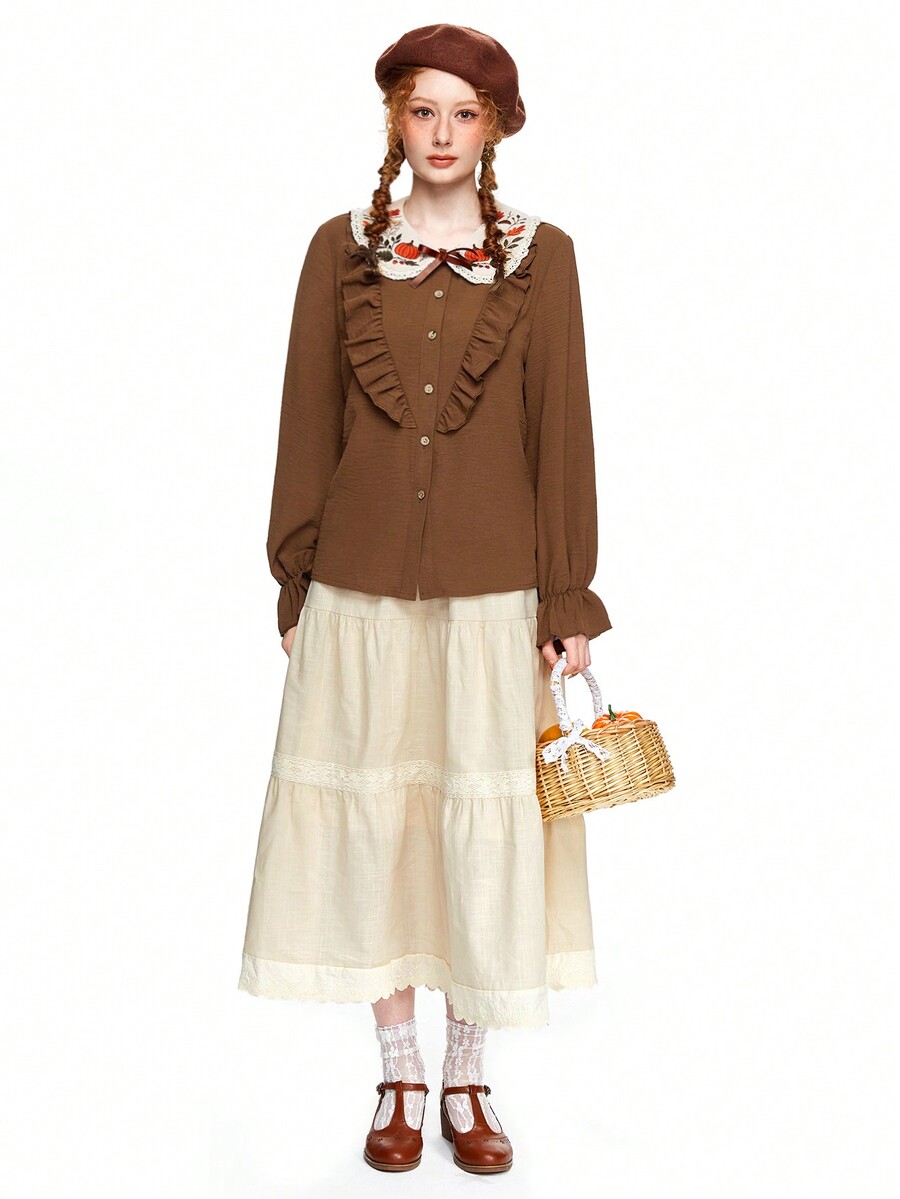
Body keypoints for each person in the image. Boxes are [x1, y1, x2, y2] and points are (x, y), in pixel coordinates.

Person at [238, 22, 612, 1174]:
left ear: (494, 126)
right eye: (422, 110)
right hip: (357, 592)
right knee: (381, 833)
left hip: (494, 594)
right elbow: (308, 420)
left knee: (478, 834)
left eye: (465, 112)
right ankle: (398, 1069)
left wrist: (567, 595)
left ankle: (467, 1074)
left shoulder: (542, 258)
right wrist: (295, 572)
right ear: (395, 120)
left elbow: (561, 432)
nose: (442, 133)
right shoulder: (340, 250)